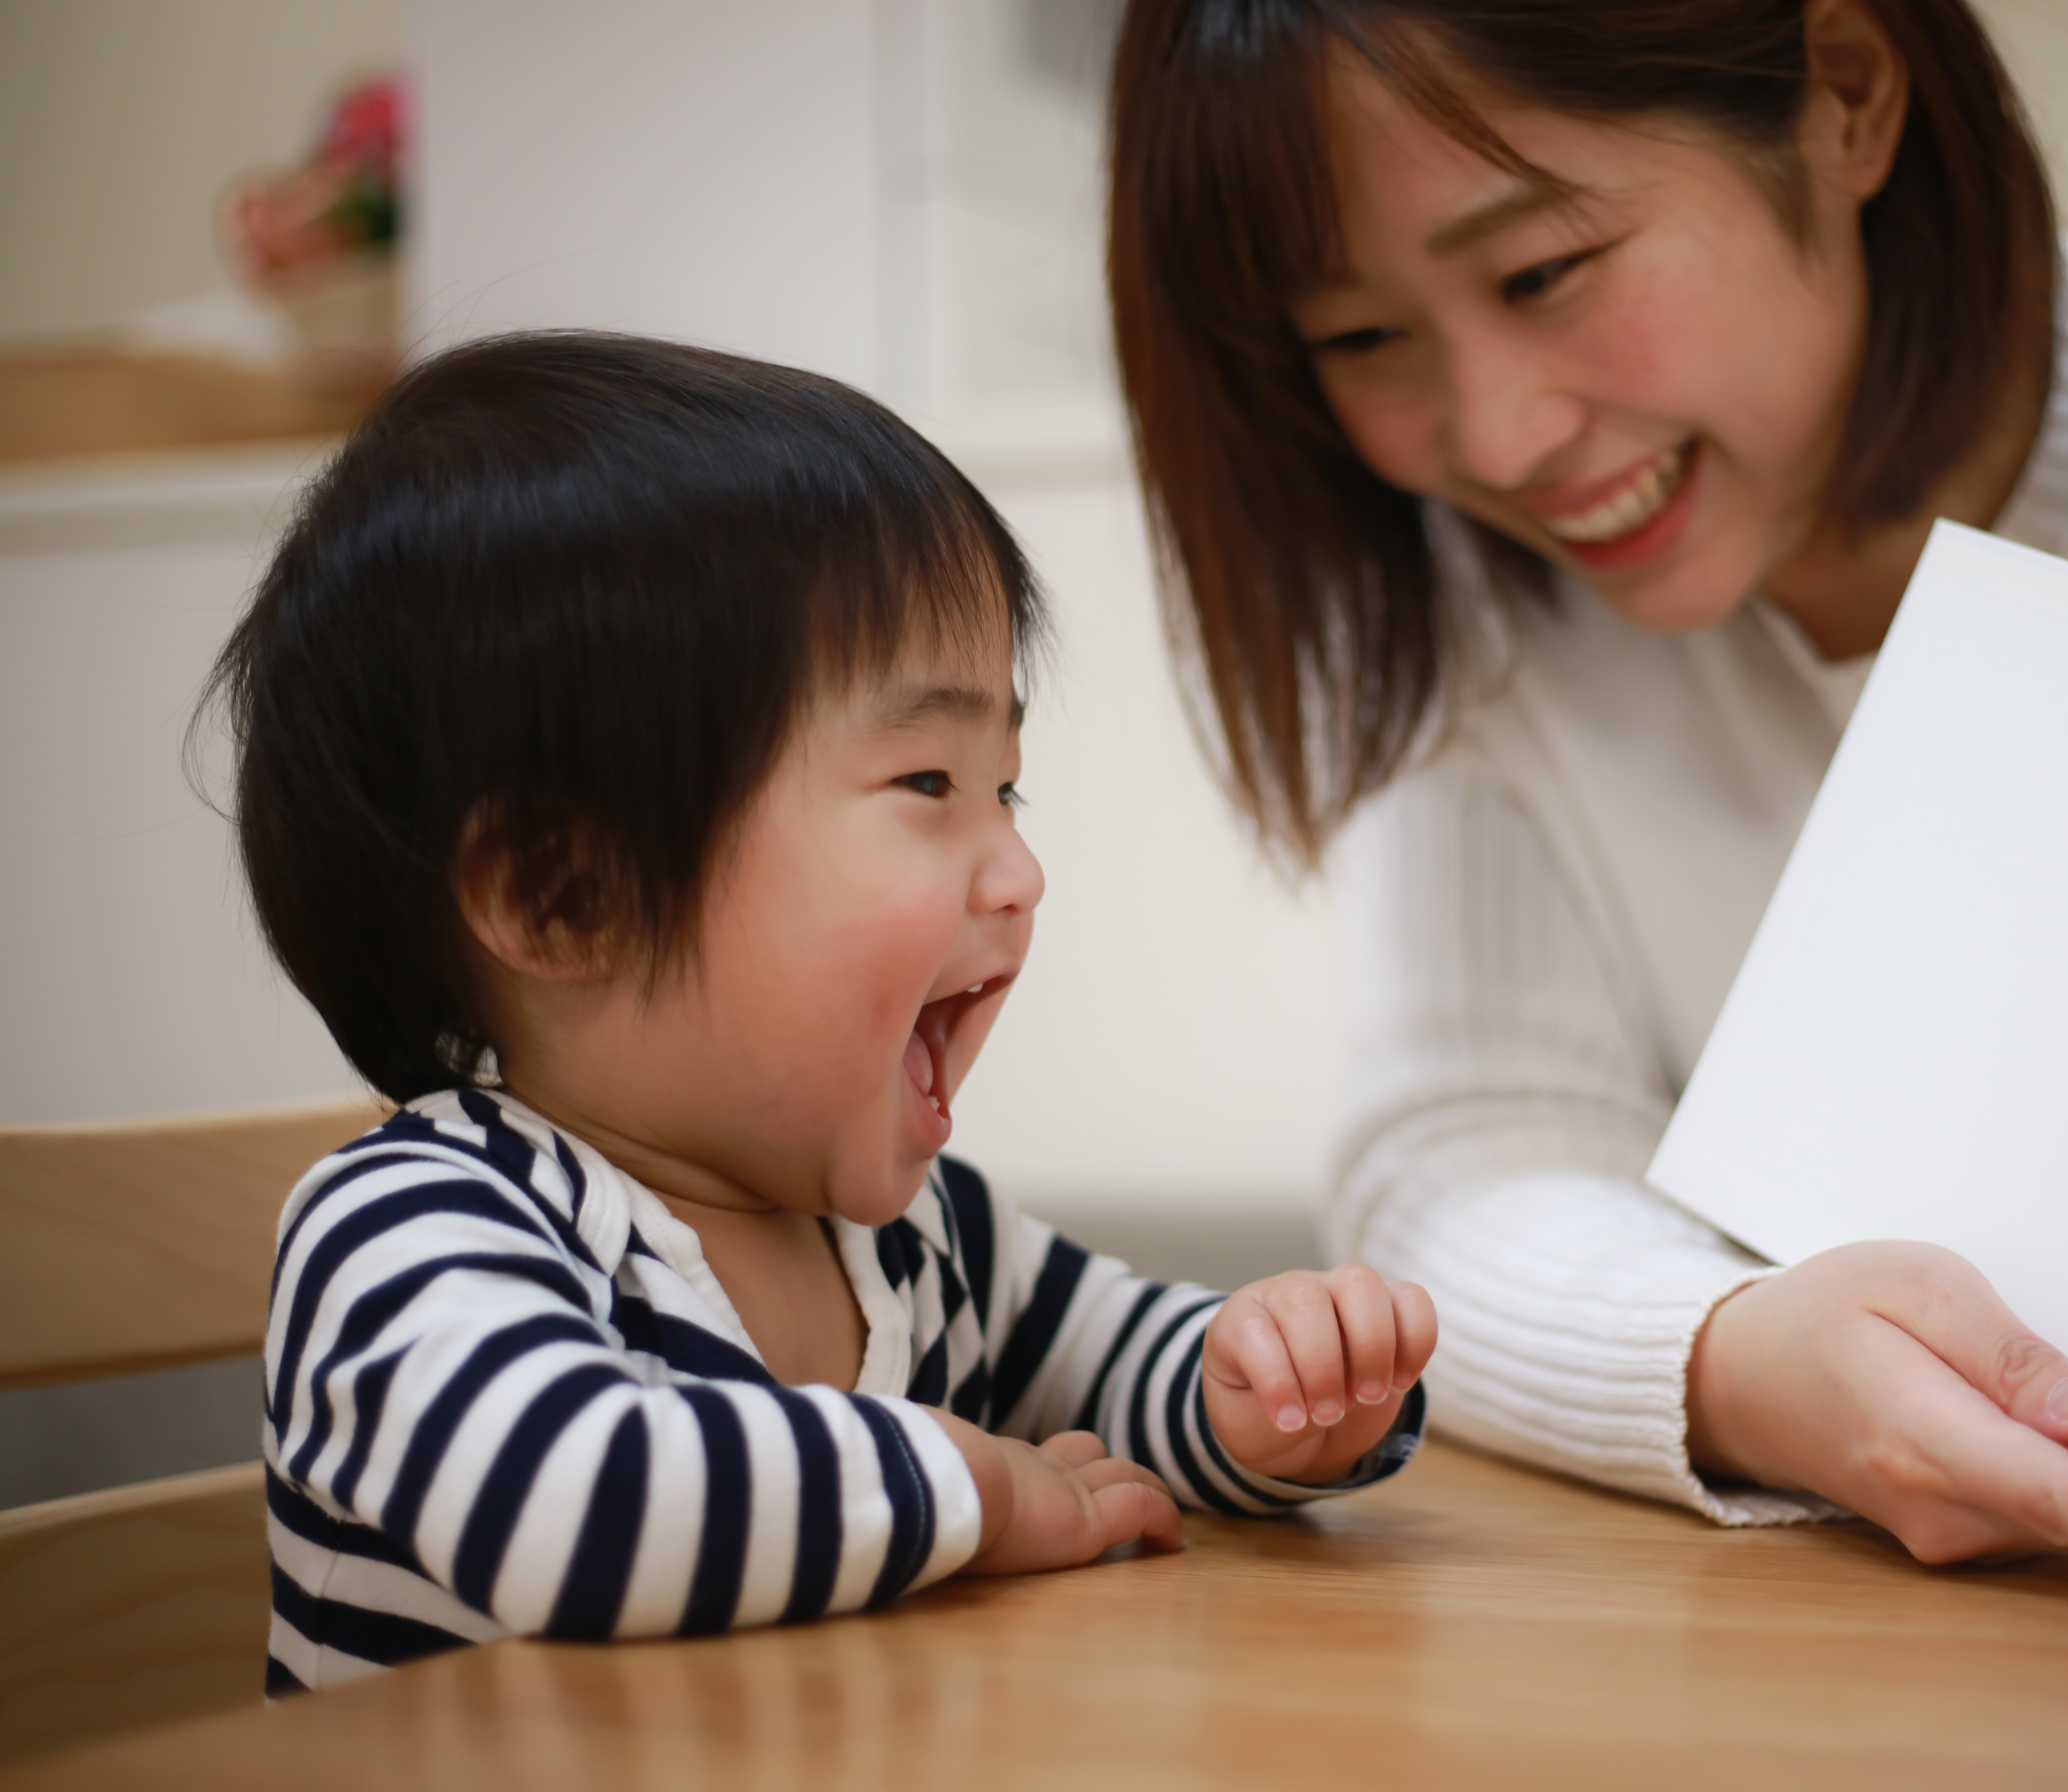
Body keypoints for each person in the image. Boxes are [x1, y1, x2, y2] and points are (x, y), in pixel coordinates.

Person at [1102, 0, 2068, 1618]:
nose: (1496, 435)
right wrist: (1734, 1366)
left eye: (1540, 274)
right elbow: (1458, 1170)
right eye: (1360, 336)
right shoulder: (1467, 587)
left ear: (1844, 92)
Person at [211, 334, 1436, 1693]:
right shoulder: (415, 1222)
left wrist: (1268, 1393)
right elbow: (580, 1509)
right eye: (926, 781)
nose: (1020, 873)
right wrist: (989, 1490)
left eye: (1006, 788)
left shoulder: (927, 1241)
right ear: (568, 898)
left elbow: (1119, 1363)